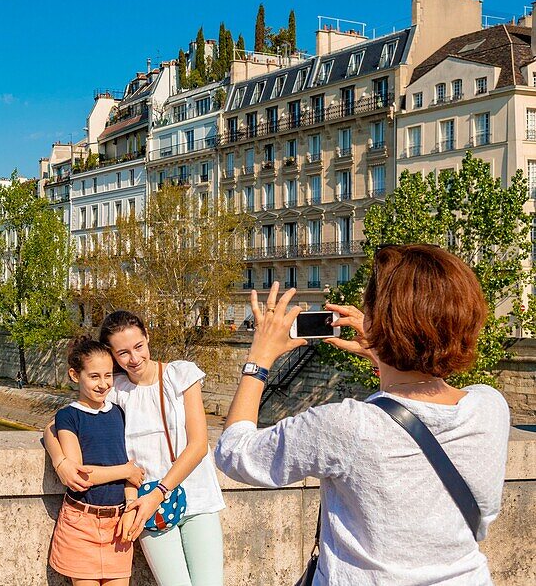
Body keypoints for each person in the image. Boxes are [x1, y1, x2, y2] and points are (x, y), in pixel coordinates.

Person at [215, 244, 512, 585]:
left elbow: (234, 452)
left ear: (377, 322)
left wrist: (259, 358)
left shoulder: (349, 426)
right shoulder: (490, 407)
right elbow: (429, 392)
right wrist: (386, 352)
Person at [46, 311, 226, 585]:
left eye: (139, 347)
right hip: (144, 507)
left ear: (148, 338)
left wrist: (160, 492)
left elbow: (199, 444)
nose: (134, 358)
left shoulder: (180, 374)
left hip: (194, 497)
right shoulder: (114, 388)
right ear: (113, 355)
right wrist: (61, 461)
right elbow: (56, 424)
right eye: (124, 353)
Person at [48, 335, 142, 586]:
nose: (103, 384)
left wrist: (131, 505)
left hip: (118, 523)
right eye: (94, 376)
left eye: (108, 375)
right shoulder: (68, 416)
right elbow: (81, 475)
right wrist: (125, 471)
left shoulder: (119, 413)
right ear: (75, 375)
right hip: (82, 524)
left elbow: (131, 461)